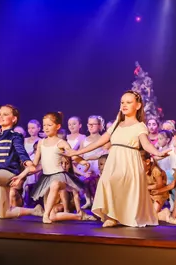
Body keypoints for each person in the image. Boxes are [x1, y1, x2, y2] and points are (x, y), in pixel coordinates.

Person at [65, 90, 168, 228]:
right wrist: (76, 152)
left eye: (129, 102)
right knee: (107, 181)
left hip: (130, 160)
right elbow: (99, 142)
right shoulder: (116, 124)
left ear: (137, 106)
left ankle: (123, 216)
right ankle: (112, 216)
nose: (124, 105)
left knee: (123, 187)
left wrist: (158, 153)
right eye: (122, 102)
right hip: (114, 160)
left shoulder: (139, 126)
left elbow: (146, 144)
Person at [28, 112, 92, 223]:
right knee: (53, 215)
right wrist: (24, 171)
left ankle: (46, 215)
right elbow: (35, 162)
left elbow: (73, 154)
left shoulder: (61, 143)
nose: (46, 128)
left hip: (60, 176)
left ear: (57, 126)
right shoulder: (41, 143)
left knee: (55, 184)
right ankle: (78, 215)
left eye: (49, 125)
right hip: (46, 177)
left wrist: (83, 162)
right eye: (44, 125)